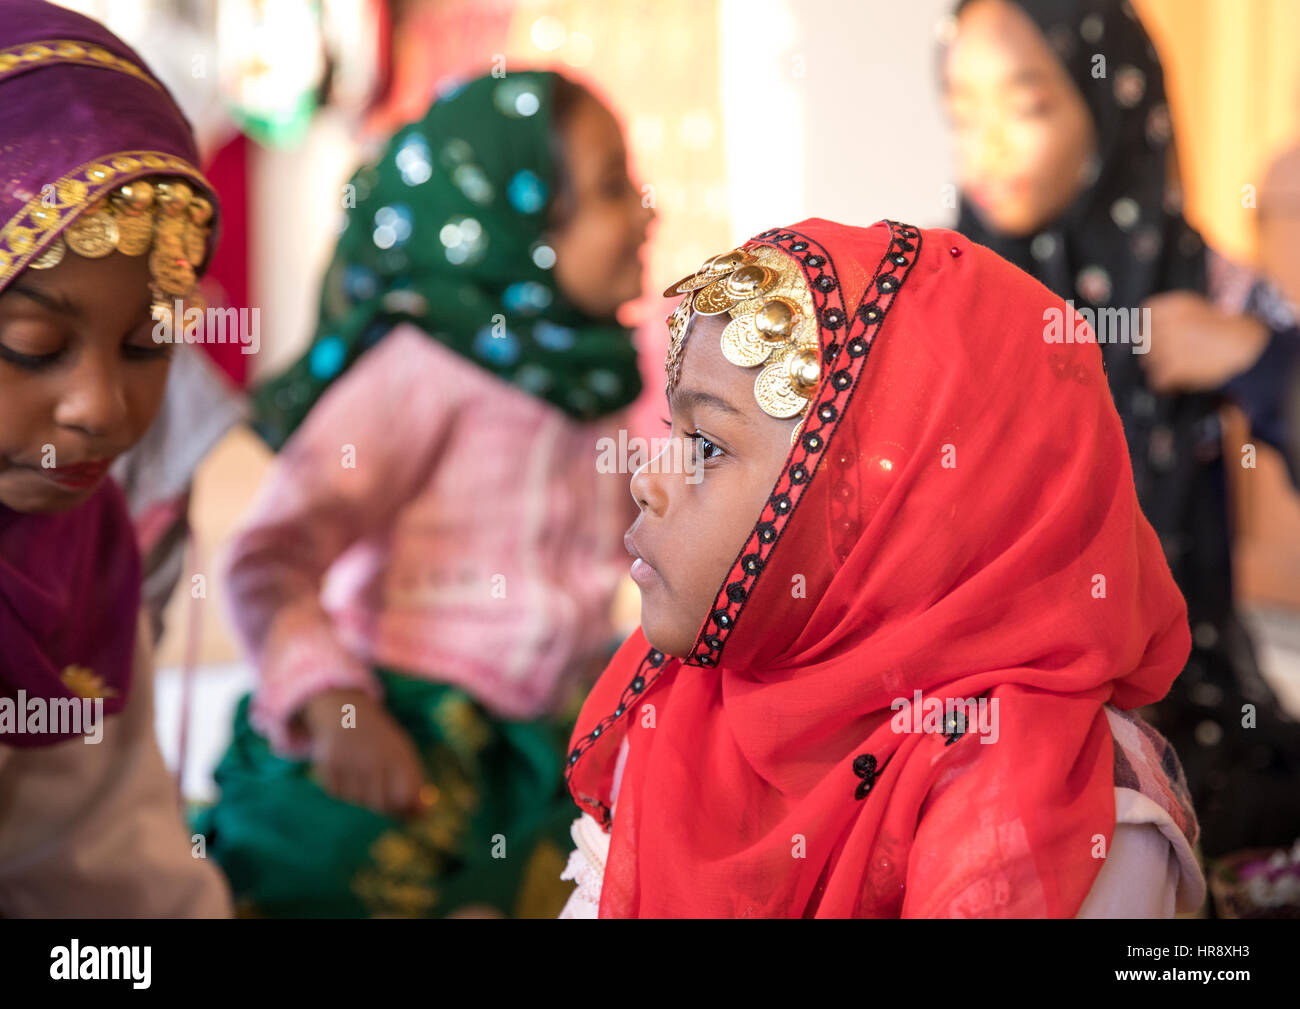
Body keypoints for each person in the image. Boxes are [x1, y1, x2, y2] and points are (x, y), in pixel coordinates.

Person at [560, 218, 1205, 917]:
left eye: (708, 447)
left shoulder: (1052, 801)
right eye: (670, 432)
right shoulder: (676, 719)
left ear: (882, 516)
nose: (647, 482)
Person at [196, 69, 654, 917]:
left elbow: (691, 518)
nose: (644, 213)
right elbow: (267, 558)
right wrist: (332, 702)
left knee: (630, 870)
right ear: (514, 220)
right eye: (609, 190)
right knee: (318, 864)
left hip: (552, 741)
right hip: (396, 718)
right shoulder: (419, 372)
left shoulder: (629, 375)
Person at [942, 0, 1300, 862]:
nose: (984, 145)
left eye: (1026, 106)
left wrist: (1255, 355)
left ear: (1115, 102)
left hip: (1182, 703)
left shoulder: (1203, 284)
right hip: (976, 711)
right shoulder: (937, 295)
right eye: (961, 112)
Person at [0, 0, 231, 916]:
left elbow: (108, 872)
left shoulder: (75, 552)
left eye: (146, 346)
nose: (99, 408)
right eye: (30, 345)